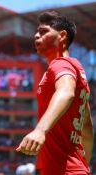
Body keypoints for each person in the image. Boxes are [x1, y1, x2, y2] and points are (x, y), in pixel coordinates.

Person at [16, 11, 94, 174]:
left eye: (43, 31)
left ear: (62, 36)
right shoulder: (77, 71)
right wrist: (80, 165)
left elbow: (66, 92)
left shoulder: (61, 64)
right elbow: (86, 128)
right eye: (37, 32)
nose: (36, 36)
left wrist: (40, 130)